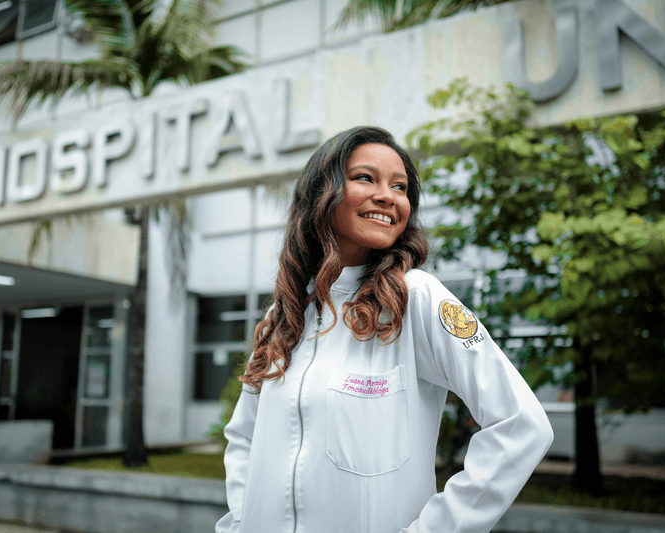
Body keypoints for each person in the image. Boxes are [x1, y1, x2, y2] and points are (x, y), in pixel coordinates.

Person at [215, 126, 553, 533]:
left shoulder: (415, 299)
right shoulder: (284, 316)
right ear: (321, 194)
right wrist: (238, 523)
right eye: (365, 178)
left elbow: (522, 425)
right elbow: (244, 440)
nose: (388, 197)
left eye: (400, 187)